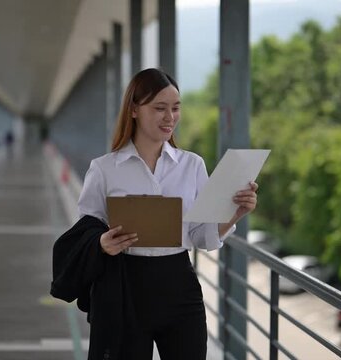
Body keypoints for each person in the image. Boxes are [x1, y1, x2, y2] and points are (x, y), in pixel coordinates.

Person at [51, 68, 258, 359]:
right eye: (159, 108)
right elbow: (86, 231)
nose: (169, 117)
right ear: (134, 109)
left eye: (175, 108)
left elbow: (201, 237)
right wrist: (102, 244)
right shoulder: (104, 168)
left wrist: (234, 213)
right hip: (124, 288)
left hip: (179, 285)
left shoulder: (192, 165)